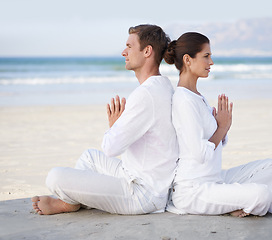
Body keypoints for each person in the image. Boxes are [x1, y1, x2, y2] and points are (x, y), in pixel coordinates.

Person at [32, 24, 179, 215]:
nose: (123, 52)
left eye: (129, 46)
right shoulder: (164, 86)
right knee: (89, 157)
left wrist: (115, 126)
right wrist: (118, 128)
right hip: (143, 179)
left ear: (147, 51)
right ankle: (73, 201)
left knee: (54, 177)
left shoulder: (146, 95)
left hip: (143, 195)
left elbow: (111, 148)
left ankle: (70, 203)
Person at [164, 32, 272, 217]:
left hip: (216, 179)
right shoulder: (184, 101)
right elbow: (199, 154)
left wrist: (221, 128)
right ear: (188, 59)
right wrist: (222, 128)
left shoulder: (197, 97)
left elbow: (216, 142)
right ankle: (236, 205)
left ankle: (233, 202)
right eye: (206, 56)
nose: (211, 62)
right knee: (261, 194)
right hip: (195, 191)